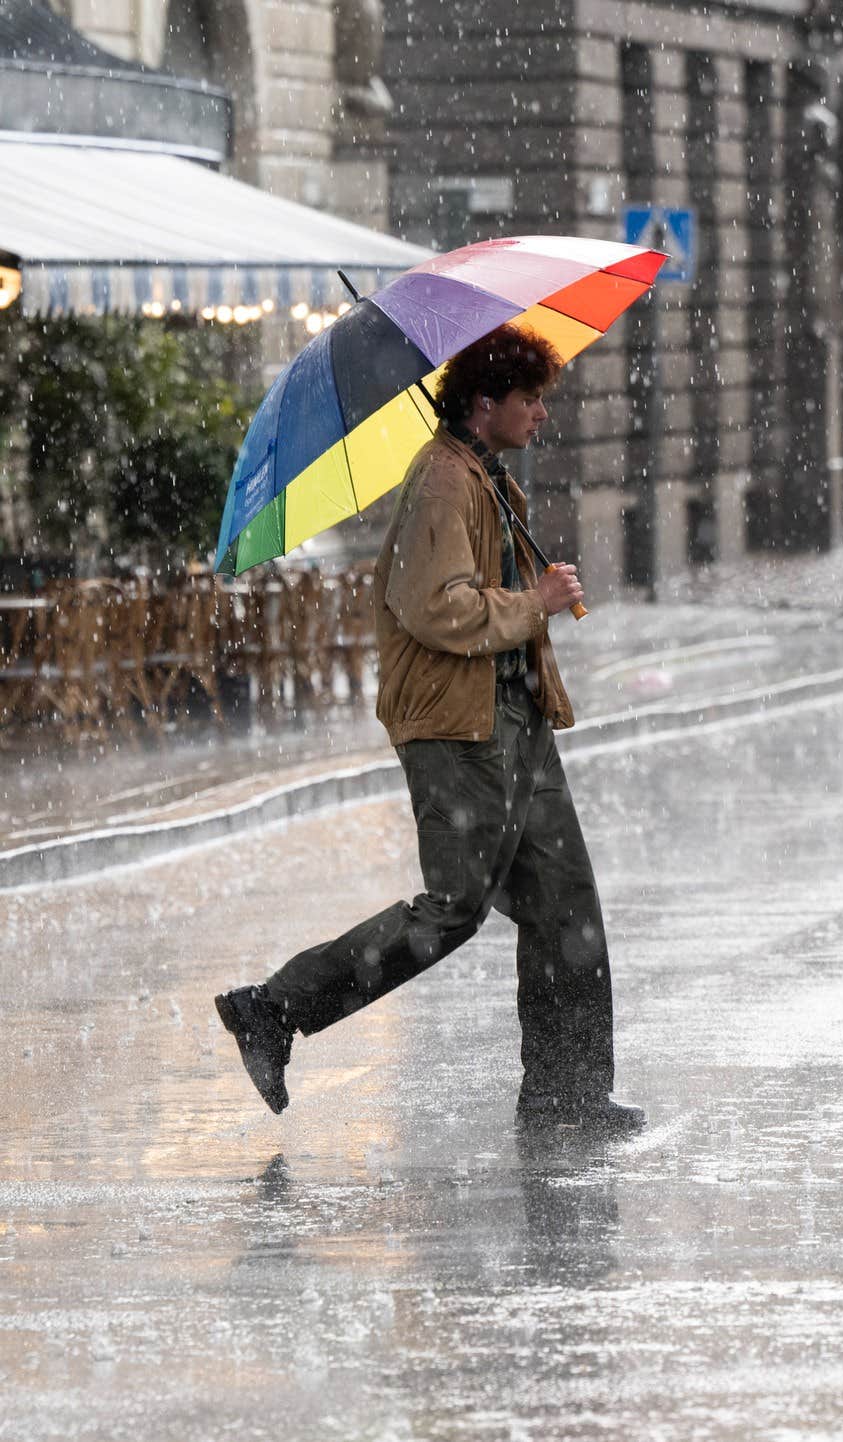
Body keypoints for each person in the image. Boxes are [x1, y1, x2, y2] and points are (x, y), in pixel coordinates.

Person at [213, 325, 642, 1134]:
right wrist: (533, 604)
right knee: (452, 910)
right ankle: (272, 1009)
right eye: (531, 400)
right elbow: (435, 607)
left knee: (564, 903)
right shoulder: (443, 483)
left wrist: (532, 596)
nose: (543, 414)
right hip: (459, 730)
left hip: (515, 719)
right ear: (485, 405)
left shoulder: (483, 474)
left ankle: (567, 1095)